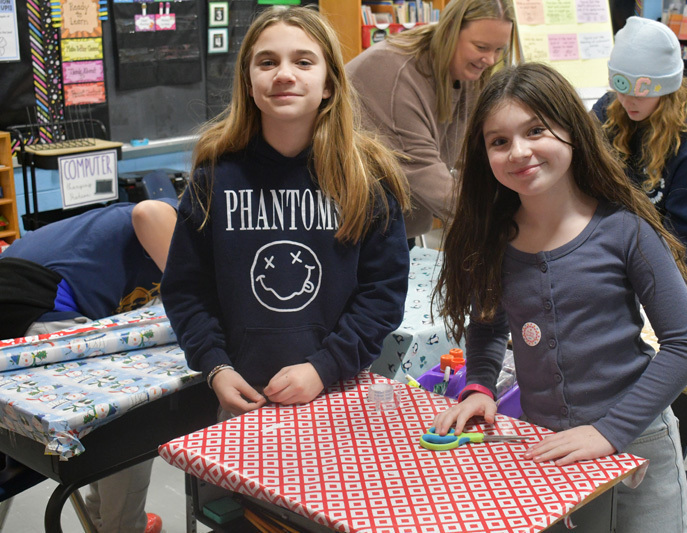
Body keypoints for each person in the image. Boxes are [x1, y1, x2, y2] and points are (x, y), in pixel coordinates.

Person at [431, 63, 687, 533]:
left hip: (639, 442)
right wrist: (479, 385)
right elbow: (487, 324)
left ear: (572, 130)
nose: (518, 151)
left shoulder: (627, 230)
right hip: (549, 448)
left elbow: (686, 345)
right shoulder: (494, 238)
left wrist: (610, 432)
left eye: (536, 130)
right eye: (498, 141)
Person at [160, 6, 411, 417]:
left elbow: (382, 294)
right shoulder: (214, 176)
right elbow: (187, 290)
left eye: (304, 61)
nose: (284, 74)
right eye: (267, 62)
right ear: (249, 81)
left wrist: (322, 368)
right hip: (242, 393)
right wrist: (216, 367)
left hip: (337, 388)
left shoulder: (366, 177)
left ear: (329, 83)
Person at [0, 198, 177, 533]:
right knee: (132, 413)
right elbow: (148, 212)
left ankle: (103, 518)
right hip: (32, 296)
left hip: (33, 301)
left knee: (110, 415)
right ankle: (121, 527)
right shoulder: (177, 215)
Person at [346, 0, 515, 246]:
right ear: (450, 31)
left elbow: (469, 153)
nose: (490, 59)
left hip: (395, 222)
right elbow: (421, 169)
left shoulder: (465, 69)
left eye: (499, 50)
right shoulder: (395, 70)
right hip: (358, 225)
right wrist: (501, 222)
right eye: (481, 47)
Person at [592, 16, 687, 268]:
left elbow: (682, 241)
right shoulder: (608, 110)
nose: (628, 101)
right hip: (602, 251)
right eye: (621, 89)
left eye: (639, 94)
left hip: (653, 265)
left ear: (665, 89)